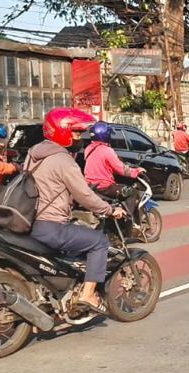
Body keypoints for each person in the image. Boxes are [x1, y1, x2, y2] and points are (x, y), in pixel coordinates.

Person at [28, 108, 127, 313]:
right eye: (75, 133)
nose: (79, 138)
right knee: (99, 241)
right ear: (62, 132)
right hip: (51, 226)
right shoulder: (64, 161)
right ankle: (88, 294)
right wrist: (110, 210)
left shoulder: (33, 154)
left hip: (30, 221)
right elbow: (85, 195)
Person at [84, 121, 143, 200]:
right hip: (104, 187)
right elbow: (121, 169)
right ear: (106, 135)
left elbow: (102, 166)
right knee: (131, 192)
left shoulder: (88, 149)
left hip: (90, 186)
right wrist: (137, 171)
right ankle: (128, 213)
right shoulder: (107, 150)